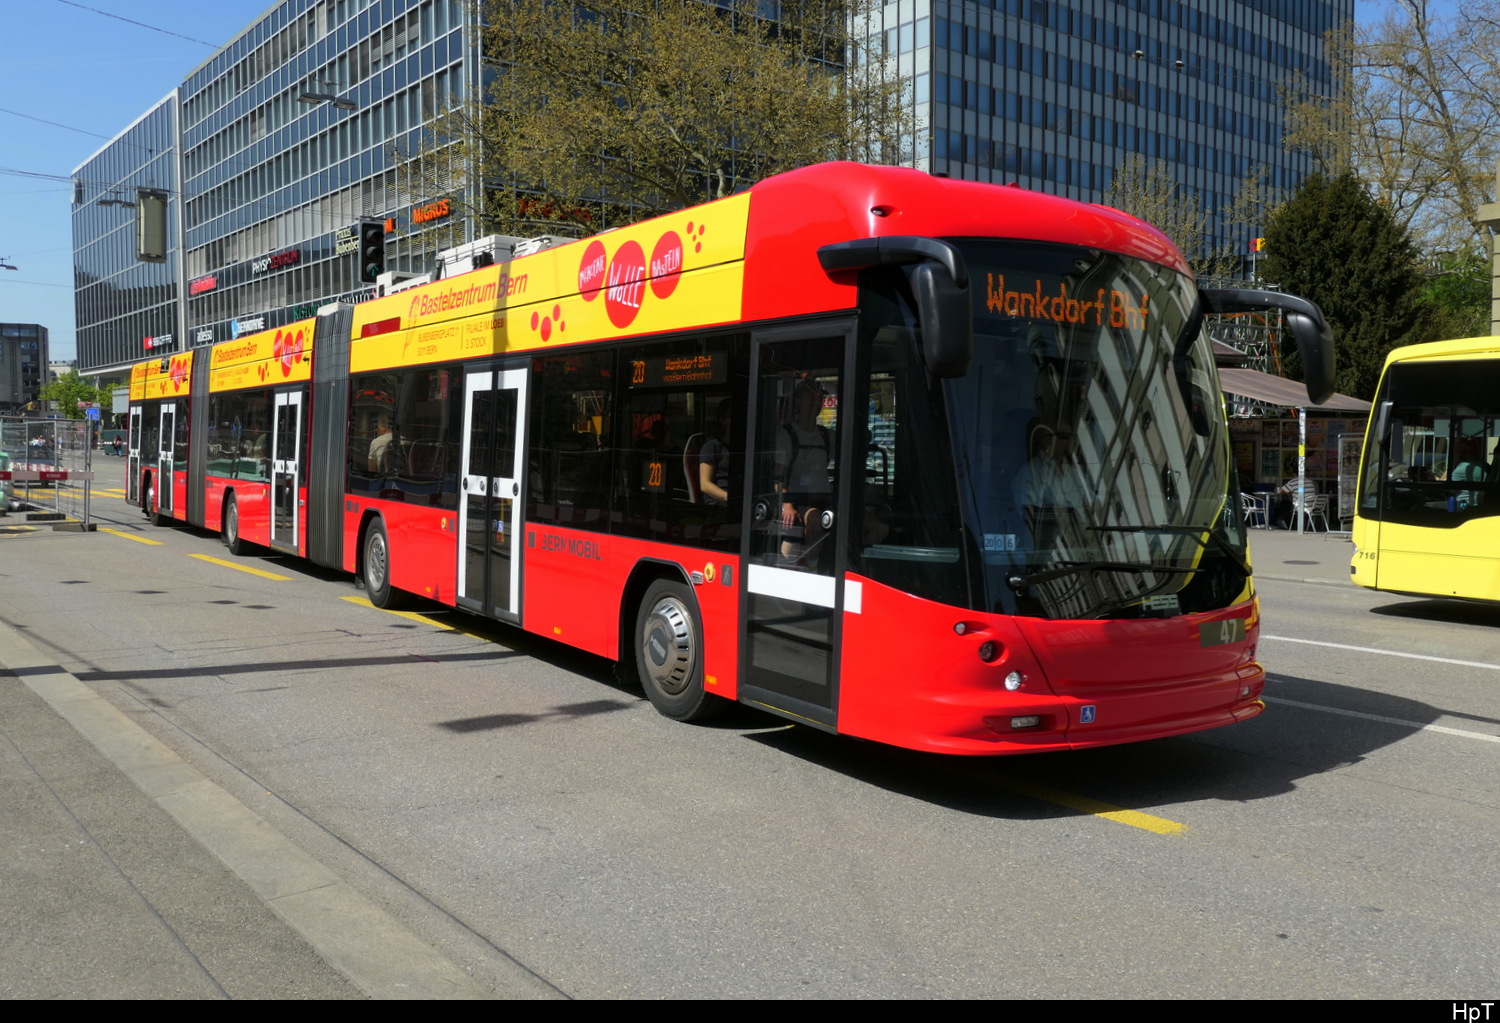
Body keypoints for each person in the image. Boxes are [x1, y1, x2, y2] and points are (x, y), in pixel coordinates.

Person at [776, 379, 834, 559]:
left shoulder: (827, 435)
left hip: (825, 499)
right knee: (816, 520)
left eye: (819, 399)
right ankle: (811, 568)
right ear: (798, 402)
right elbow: (777, 479)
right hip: (798, 501)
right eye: (811, 399)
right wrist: (787, 505)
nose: (816, 404)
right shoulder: (786, 434)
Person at [697, 399, 734, 508]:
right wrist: (730, 497)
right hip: (718, 505)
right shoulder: (711, 447)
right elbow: (705, 485)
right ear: (722, 420)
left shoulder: (745, 448)